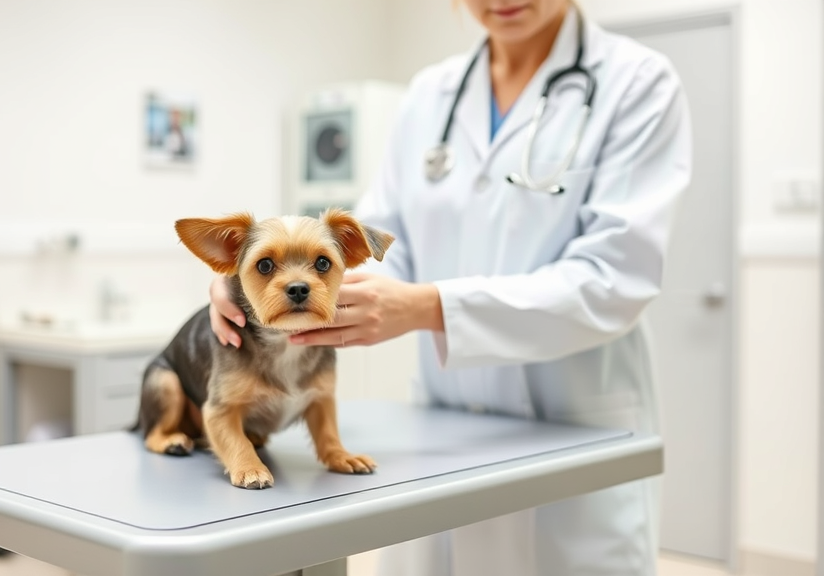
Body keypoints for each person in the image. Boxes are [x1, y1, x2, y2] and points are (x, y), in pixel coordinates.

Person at [208, 0, 692, 574]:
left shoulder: (637, 82)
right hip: (445, 426)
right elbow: (381, 245)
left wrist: (431, 307)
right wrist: (253, 288)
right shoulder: (429, 96)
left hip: (575, 422)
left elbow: (615, 277)